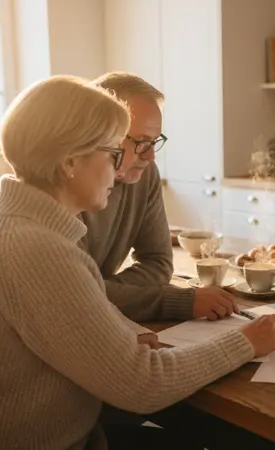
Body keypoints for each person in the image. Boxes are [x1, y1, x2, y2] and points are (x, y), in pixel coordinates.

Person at [0, 75, 275, 449]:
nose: (120, 169)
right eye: (113, 154)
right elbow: (145, 385)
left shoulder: (12, 223)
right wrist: (246, 340)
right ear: (70, 162)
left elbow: (78, 311)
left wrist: (121, 332)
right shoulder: (34, 249)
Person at [79, 72, 235, 327]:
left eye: (154, 142)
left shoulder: (145, 175)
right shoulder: (67, 190)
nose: (150, 156)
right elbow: (76, 297)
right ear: (101, 132)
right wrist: (178, 301)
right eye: (141, 142)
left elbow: (159, 264)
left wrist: (100, 291)